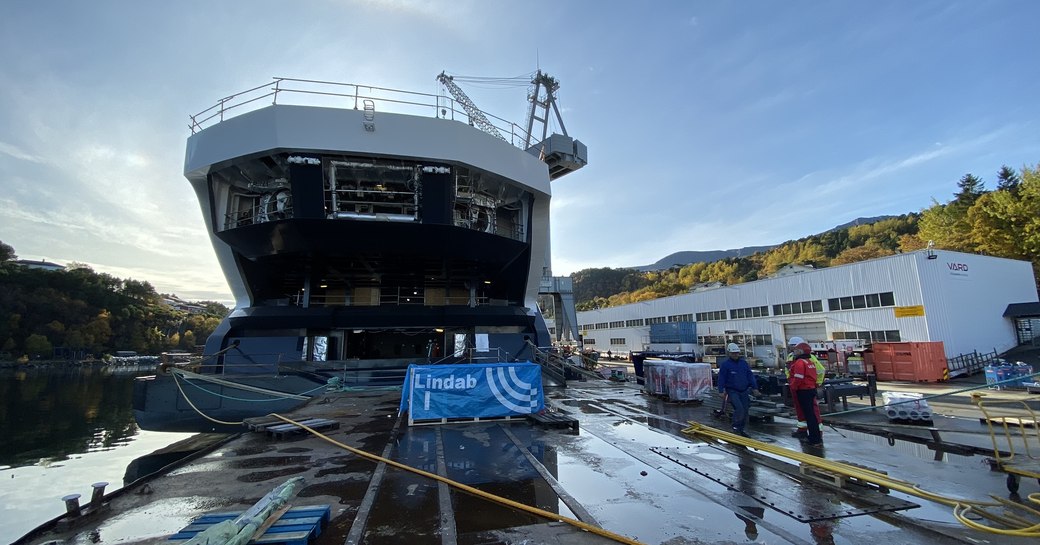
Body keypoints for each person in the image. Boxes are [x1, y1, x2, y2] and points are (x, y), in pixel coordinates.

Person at [784, 336, 825, 438]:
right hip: (796, 385)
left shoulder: (809, 357)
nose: (792, 349)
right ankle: (802, 429)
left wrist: (817, 383)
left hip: (803, 386)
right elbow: (788, 370)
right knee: (799, 408)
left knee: (812, 410)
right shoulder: (790, 356)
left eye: (794, 347)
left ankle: (817, 432)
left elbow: (820, 370)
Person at [717, 343, 761, 436]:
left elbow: (750, 376)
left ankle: (741, 429)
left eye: (737, 353)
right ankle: (736, 427)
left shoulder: (743, 363)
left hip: (744, 390)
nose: (735, 355)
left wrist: (755, 388)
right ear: (729, 353)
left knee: (745, 410)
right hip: (732, 391)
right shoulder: (725, 365)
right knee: (739, 409)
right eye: (733, 353)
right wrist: (721, 391)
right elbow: (721, 378)